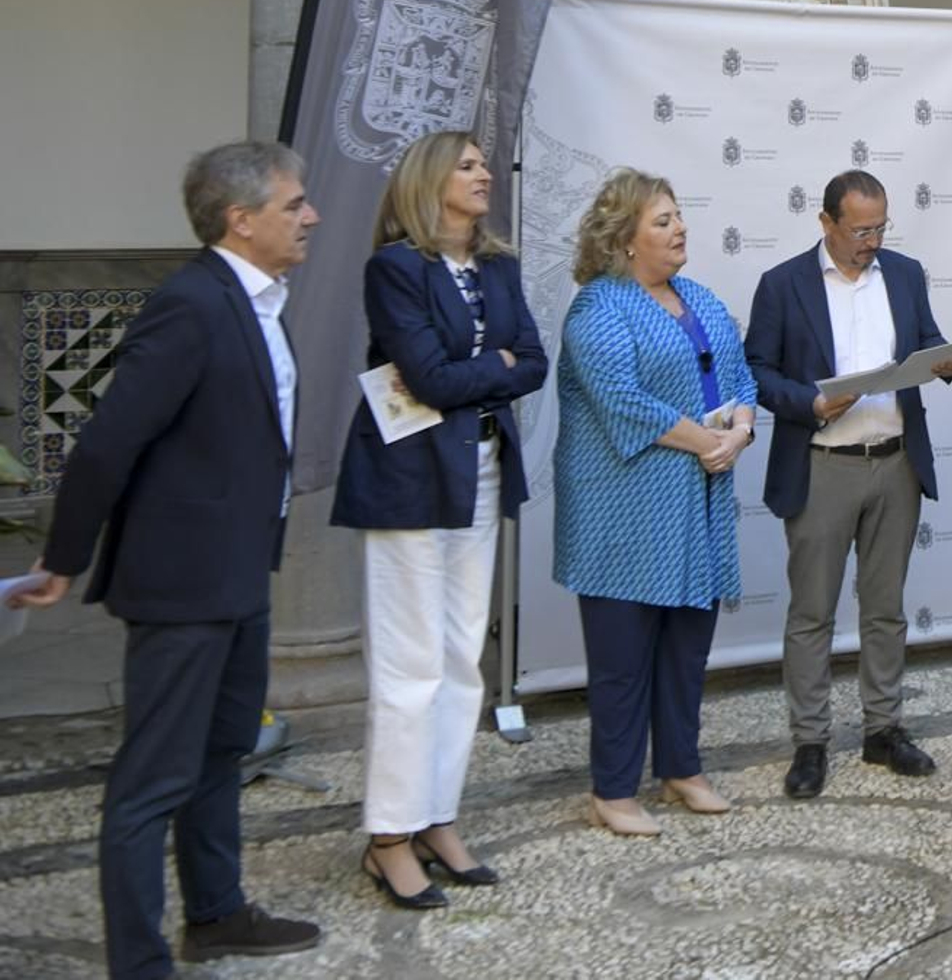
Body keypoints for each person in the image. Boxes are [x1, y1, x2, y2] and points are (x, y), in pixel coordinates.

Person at [11, 142, 323, 978]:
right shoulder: (191, 304)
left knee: (225, 752)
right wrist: (64, 557)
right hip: (181, 582)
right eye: (295, 205)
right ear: (241, 219)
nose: (311, 216)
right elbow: (108, 442)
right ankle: (138, 961)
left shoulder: (260, 300)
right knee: (152, 778)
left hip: (237, 571)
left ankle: (216, 915)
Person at [331, 131, 548, 908]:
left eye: (484, 164)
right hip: (408, 481)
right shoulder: (395, 270)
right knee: (409, 663)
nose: (486, 173)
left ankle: (437, 815)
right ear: (431, 182)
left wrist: (477, 376)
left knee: (462, 660)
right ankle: (388, 835)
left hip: (482, 471)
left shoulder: (499, 265)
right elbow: (423, 375)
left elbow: (538, 358)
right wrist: (495, 371)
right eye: (468, 165)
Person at [745, 169, 952, 800]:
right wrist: (808, 403)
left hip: (895, 461)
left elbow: (924, 342)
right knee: (812, 611)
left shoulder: (903, 272)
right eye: (861, 229)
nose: (873, 240)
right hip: (821, 463)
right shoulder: (783, 284)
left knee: (886, 607)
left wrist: (943, 359)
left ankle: (884, 728)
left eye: (881, 227)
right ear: (827, 223)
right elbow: (756, 368)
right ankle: (810, 741)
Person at [555, 168, 757, 836]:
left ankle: (681, 768)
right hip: (623, 519)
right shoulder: (598, 308)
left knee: (684, 653)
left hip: (696, 513)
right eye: (663, 221)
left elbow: (742, 376)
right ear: (624, 239)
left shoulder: (697, 296)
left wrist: (743, 428)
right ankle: (613, 789)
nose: (679, 229)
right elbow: (623, 400)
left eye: (678, 217)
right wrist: (709, 441)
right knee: (622, 662)